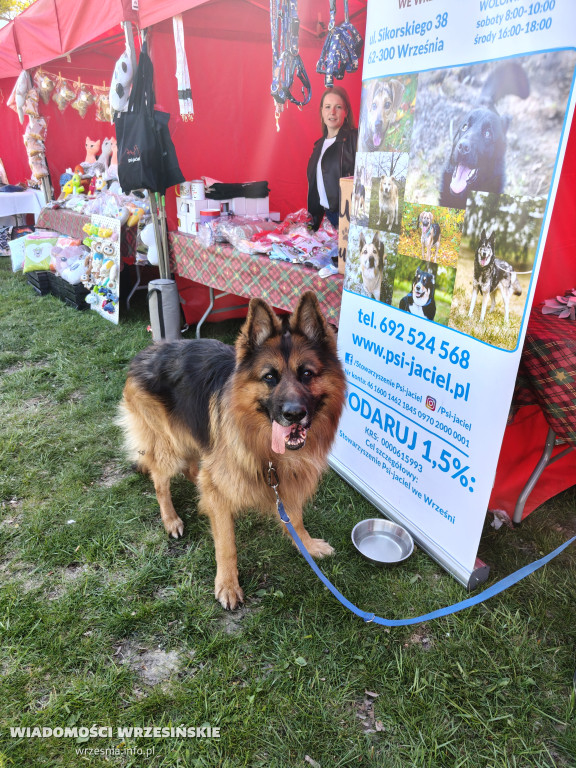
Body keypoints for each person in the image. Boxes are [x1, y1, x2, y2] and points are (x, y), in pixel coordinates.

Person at [306, 86, 357, 231]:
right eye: (327, 107)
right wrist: (312, 224)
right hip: (328, 217)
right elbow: (317, 188)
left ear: (346, 112)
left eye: (338, 107)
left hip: (350, 217)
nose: (332, 112)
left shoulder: (355, 139)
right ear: (322, 111)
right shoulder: (318, 146)